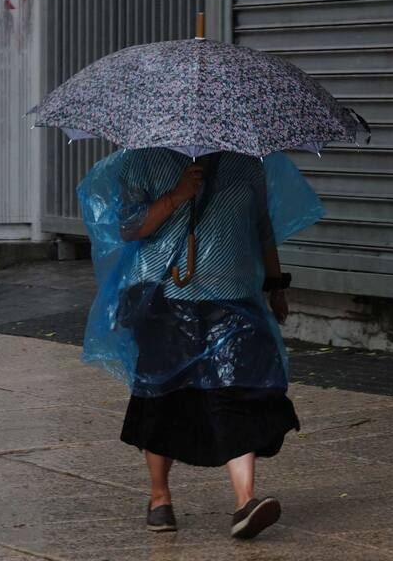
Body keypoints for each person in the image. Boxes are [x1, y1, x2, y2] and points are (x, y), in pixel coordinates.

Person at [115, 147, 299, 539]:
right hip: (164, 298)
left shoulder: (247, 164)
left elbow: (261, 227)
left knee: (239, 393)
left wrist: (276, 285)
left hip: (233, 299)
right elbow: (129, 227)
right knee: (162, 396)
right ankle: (159, 498)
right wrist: (178, 196)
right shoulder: (142, 161)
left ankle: (245, 502)